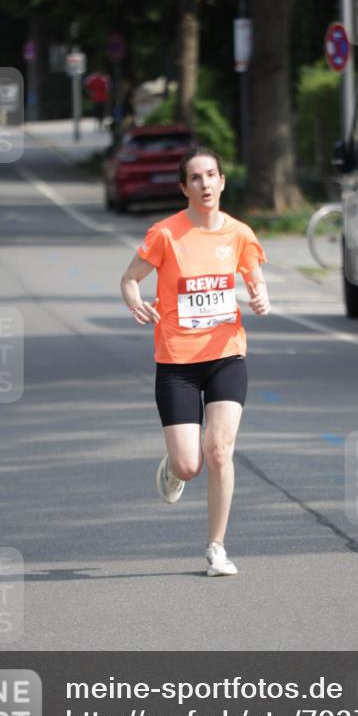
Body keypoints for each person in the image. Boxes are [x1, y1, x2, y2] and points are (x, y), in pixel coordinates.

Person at [120, 146, 271, 576]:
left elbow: (254, 276)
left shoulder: (239, 233)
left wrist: (260, 295)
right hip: (177, 364)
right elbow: (130, 279)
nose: (205, 185)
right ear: (184, 187)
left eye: (212, 176)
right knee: (191, 464)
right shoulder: (166, 234)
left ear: (223, 181)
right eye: (196, 178)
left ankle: (216, 548)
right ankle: (174, 466)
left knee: (219, 449)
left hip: (226, 356)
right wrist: (135, 302)